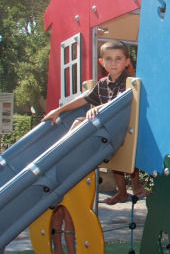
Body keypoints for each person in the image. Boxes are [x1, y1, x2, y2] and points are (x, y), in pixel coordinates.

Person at [43, 39, 150, 205]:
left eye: (118, 58)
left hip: (125, 129)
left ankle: (64, 152)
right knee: (83, 127)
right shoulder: (102, 83)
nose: (113, 63)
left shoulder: (129, 82)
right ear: (102, 62)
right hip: (109, 132)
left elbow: (122, 101)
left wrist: (99, 108)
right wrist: (59, 110)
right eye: (108, 59)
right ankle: (66, 151)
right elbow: (84, 98)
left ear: (127, 61)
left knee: (125, 155)